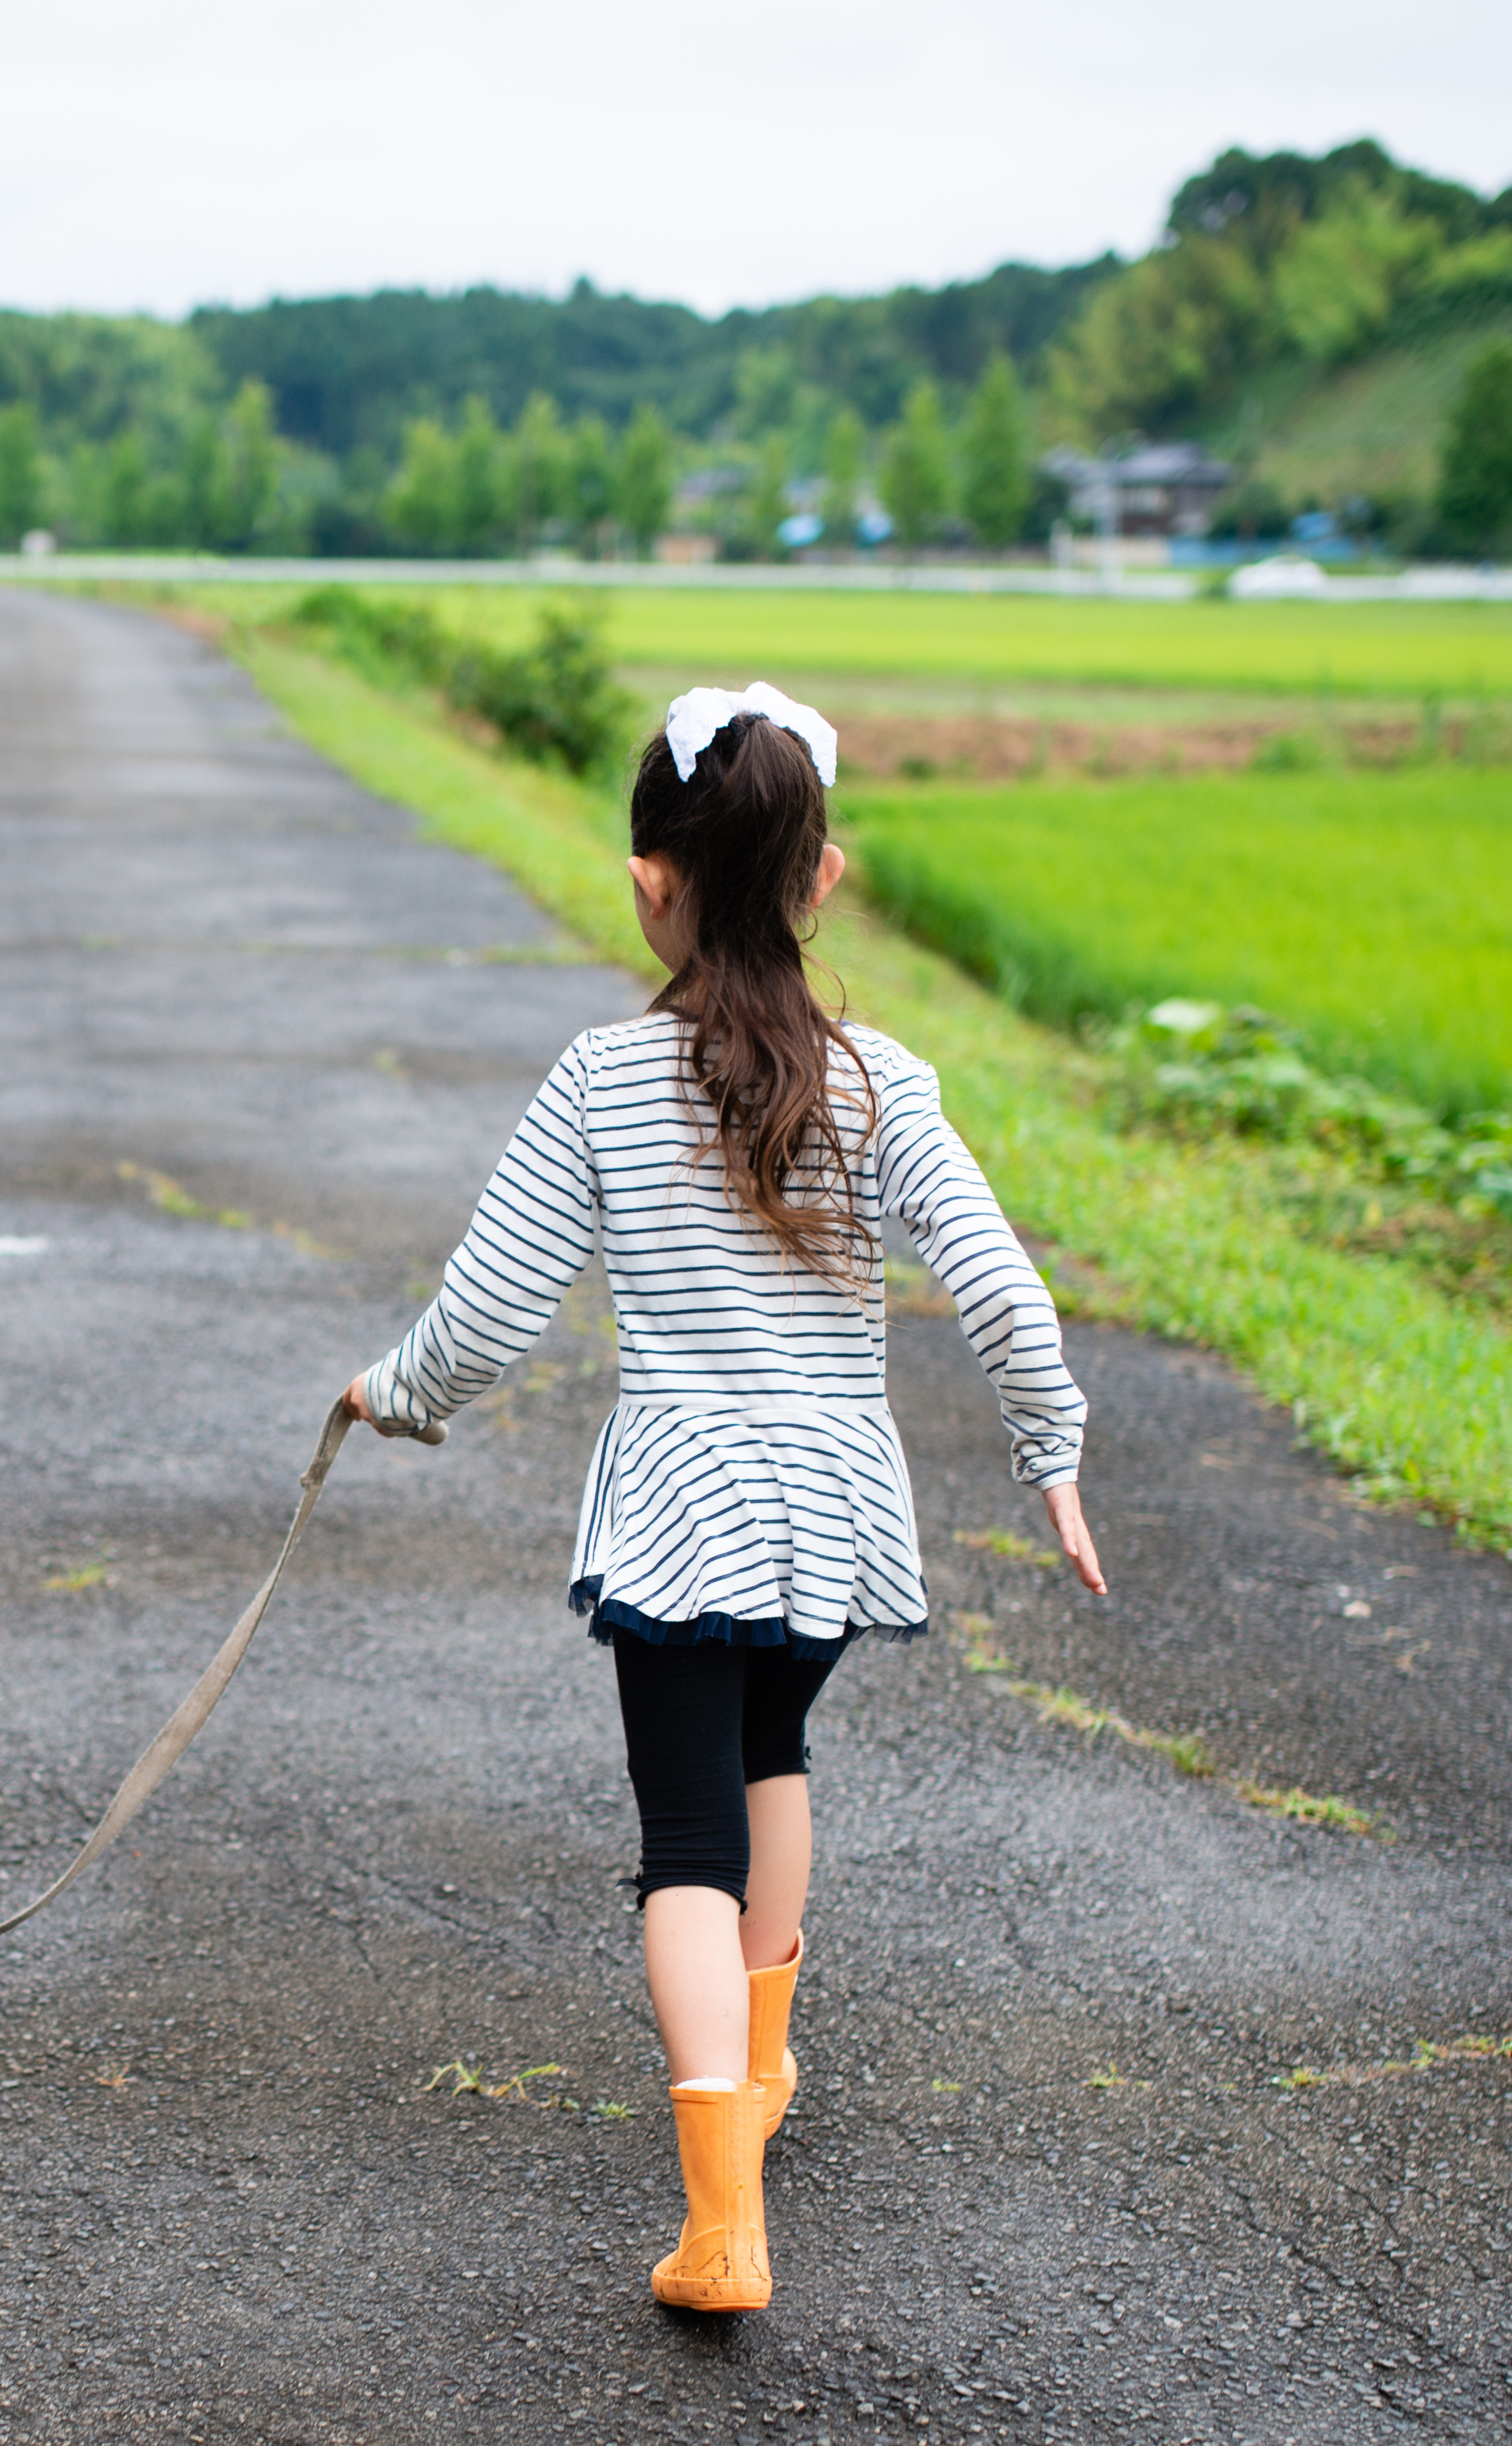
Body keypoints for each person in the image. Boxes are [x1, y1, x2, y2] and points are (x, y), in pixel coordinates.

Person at [342, 682, 1106, 2314]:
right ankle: (757, 2073)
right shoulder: (882, 1079)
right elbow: (1002, 1288)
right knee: (776, 1756)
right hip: (837, 1499)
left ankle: (725, 2217)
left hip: (689, 1503)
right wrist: (1051, 1449)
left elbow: (486, 1313)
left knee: (682, 1839)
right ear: (824, 880)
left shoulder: (605, 1079)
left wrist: (391, 1396)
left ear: (648, 876)